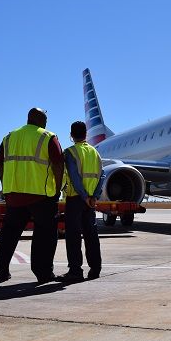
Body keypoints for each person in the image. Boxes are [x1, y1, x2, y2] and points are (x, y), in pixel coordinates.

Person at [0, 108, 64, 284]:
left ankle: (2, 271)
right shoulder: (47, 136)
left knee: (9, 233)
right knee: (45, 235)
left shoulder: (9, 137)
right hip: (40, 195)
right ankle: (43, 273)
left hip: (14, 195)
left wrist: (5, 185)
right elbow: (58, 164)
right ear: (41, 120)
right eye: (46, 119)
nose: (47, 123)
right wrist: (57, 188)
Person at [57, 121, 106, 282]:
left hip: (76, 199)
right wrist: (95, 197)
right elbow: (102, 176)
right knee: (91, 235)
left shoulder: (70, 152)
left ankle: (75, 271)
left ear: (71, 136)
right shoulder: (95, 152)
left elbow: (74, 177)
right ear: (86, 134)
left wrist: (84, 197)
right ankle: (95, 269)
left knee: (73, 236)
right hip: (90, 200)